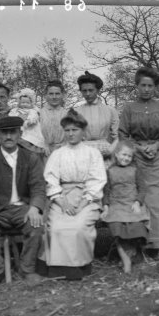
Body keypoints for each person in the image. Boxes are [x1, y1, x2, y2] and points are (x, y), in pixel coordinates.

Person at [0, 116, 46, 287]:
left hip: (23, 209)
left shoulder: (31, 157)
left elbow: (38, 187)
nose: (8, 137)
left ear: (20, 134)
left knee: (36, 225)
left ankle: (27, 270)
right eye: (4, 133)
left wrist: (35, 208)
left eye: (12, 132)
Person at [44, 109, 107, 280]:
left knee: (78, 226)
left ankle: (80, 266)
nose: (71, 134)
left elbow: (97, 180)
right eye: (67, 130)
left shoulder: (93, 153)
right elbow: (51, 179)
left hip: (86, 198)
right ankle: (58, 269)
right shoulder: (57, 154)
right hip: (62, 197)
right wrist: (62, 201)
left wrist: (83, 203)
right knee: (56, 227)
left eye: (75, 130)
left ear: (83, 131)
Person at [118, 66, 159, 250]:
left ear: (154, 87)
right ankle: (142, 241)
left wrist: (156, 146)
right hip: (137, 156)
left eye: (150, 86)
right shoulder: (129, 108)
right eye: (143, 85)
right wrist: (138, 148)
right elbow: (122, 135)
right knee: (139, 195)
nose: (146, 89)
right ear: (137, 86)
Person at [101, 140, 150, 273]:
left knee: (136, 226)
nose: (126, 158)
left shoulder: (135, 170)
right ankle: (125, 259)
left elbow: (142, 189)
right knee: (117, 228)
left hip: (131, 203)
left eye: (129, 156)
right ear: (116, 154)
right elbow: (106, 191)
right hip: (116, 204)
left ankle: (132, 252)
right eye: (124, 154)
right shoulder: (110, 171)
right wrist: (106, 206)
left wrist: (138, 202)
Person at [75, 71, 119, 157]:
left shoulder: (110, 111)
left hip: (106, 152)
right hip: (82, 152)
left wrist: (110, 151)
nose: (87, 94)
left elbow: (117, 137)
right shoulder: (76, 112)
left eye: (91, 90)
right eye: (84, 91)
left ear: (98, 90)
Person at [9, 88, 47, 157]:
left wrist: (29, 121)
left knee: (30, 140)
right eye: (23, 103)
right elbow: (11, 116)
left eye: (27, 103)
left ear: (31, 103)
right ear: (19, 103)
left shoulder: (32, 111)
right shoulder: (15, 110)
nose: (25, 105)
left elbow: (34, 117)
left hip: (30, 129)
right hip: (18, 131)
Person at [40, 80, 68, 155]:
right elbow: (35, 134)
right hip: (43, 152)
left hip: (63, 152)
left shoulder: (67, 114)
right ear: (45, 95)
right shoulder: (39, 114)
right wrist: (43, 145)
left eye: (57, 94)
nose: (54, 97)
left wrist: (64, 146)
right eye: (51, 94)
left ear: (62, 95)